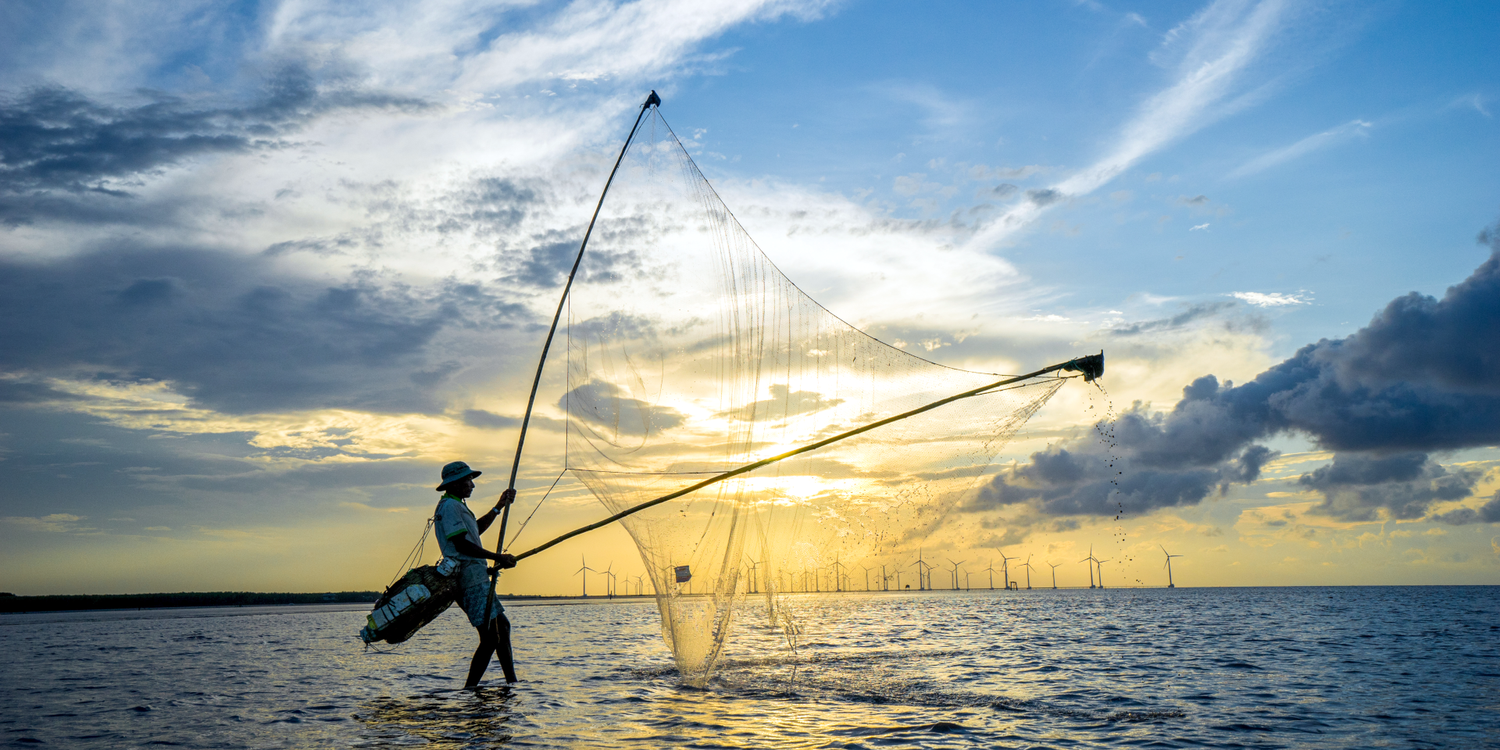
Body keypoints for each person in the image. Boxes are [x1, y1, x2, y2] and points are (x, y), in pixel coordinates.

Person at [433, 460, 519, 687]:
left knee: (503, 628)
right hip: (469, 581)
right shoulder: (449, 507)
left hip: (476, 577)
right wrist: (498, 557)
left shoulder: (456, 505)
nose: (472, 485)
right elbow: (461, 545)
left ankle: (512, 683)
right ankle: (470, 689)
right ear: (455, 484)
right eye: (468, 480)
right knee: (490, 638)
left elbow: (474, 531)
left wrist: (498, 507)